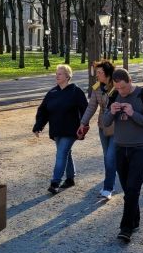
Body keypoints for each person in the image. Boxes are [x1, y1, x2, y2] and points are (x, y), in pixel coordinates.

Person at [108, 68, 143, 242]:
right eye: (117, 88)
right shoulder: (114, 95)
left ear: (130, 81)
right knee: (127, 188)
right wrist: (111, 112)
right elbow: (105, 122)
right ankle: (134, 220)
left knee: (133, 188)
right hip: (120, 147)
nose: (121, 92)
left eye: (123, 88)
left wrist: (133, 113)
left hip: (140, 147)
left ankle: (126, 228)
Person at [33, 64, 89, 194]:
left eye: (60, 74)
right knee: (65, 153)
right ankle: (70, 178)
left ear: (67, 76)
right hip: (57, 130)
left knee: (61, 153)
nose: (56, 76)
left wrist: (83, 125)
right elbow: (43, 110)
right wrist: (38, 126)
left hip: (71, 130)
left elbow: (86, 110)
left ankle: (55, 182)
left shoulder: (76, 91)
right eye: (56, 73)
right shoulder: (52, 92)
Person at [78, 60, 118, 198]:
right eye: (97, 73)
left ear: (107, 74)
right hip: (102, 126)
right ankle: (110, 182)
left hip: (116, 127)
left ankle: (108, 188)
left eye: (100, 73)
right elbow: (91, 106)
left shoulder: (117, 86)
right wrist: (83, 123)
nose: (97, 75)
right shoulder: (96, 87)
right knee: (107, 157)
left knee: (110, 158)